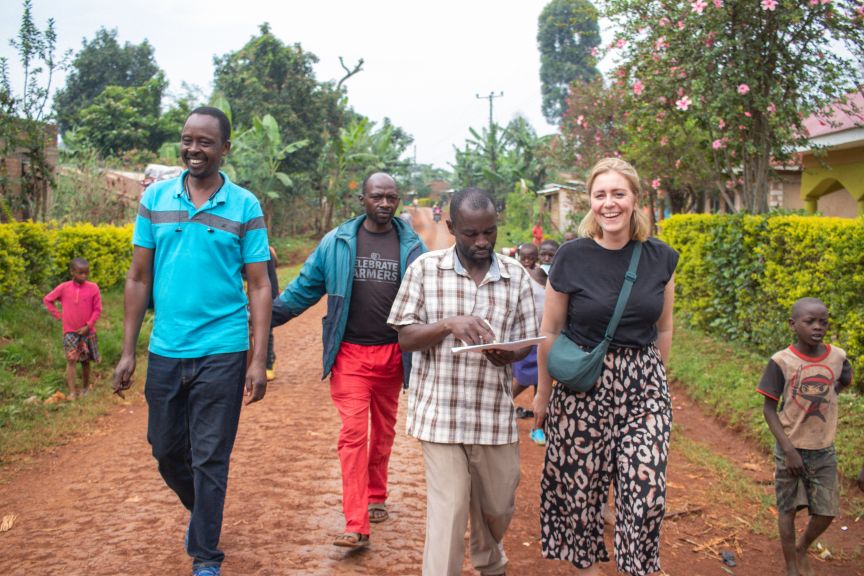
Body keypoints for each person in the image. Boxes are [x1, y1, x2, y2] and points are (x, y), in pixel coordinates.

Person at [112, 106, 272, 576]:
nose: (194, 149)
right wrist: (128, 351)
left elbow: (259, 285)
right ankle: (204, 514)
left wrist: (258, 358)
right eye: (188, 140)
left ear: (225, 148)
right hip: (166, 348)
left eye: (205, 142)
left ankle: (205, 554)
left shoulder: (245, 206)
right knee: (165, 451)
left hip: (223, 348)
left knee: (210, 456)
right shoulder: (155, 199)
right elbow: (138, 277)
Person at [534, 157, 678, 576]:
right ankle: (588, 568)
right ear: (590, 202)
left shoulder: (661, 258)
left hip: (643, 386)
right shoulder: (570, 257)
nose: (609, 203)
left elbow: (664, 327)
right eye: (600, 195)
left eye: (618, 193)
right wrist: (543, 394)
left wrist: (658, 382)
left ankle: (636, 566)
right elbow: (550, 330)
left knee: (646, 494)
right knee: (580, 493)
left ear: (635, 199)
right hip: (583, 386)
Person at [388, 187, 538, 576]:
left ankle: (490, 560)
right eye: (471, 233)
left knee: (498, 507)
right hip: (441, 416)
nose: (482, 241)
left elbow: (527, 340)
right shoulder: (424, 269)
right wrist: (447, 325)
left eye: (490, 231)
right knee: (450, 509)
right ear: (452, 227)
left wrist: (509, 354)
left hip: (493, 416)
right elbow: (405, 337)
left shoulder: (516, 276)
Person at [271, 172, 425, 548]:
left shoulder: (412, 245)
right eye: (377, 196)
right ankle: (356, 523)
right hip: (350, 355)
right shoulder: (337, 242)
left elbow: (432, 297)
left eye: (391, 197)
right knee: (353, 435)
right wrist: (261, 318)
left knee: (384, 431)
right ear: (362, 199)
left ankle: (376, 494)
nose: (385, 203)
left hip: (394, 354)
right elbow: (303, 290)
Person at [757, 297, 852, 576]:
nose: (818, 327)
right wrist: (788, 450)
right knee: (787, 509)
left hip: (823, 448)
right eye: (810, 321)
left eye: (823, 322)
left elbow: (843, 380)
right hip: (791, 447)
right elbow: (769, 409)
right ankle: (791, 567)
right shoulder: (781, 361)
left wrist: (828, 395)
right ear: (793, 324)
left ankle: (801, 548)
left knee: (827, 511)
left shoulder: (838, 357)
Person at [43, 257, 102, 399]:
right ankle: (72, 392)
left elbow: (97, 309)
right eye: (80, 273)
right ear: (72, 272)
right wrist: (59, 316)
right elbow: (48, 300)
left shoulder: (93, 288)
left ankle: (85, 388)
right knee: (71, 360)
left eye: (86, 273)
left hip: (87, 332)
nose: (84, 276)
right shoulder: (64, 288)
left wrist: (88, 325)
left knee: (85, 361)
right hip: (70, 332)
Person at [512, 243, 549, 447]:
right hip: (527, 336)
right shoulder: (519, 276)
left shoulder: (549, 277)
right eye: (524, 257)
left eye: (531, 257)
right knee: (523, 378)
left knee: (541, 384)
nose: (527, 261)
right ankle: (501, 406)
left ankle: (538, 427)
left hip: (546, 338)